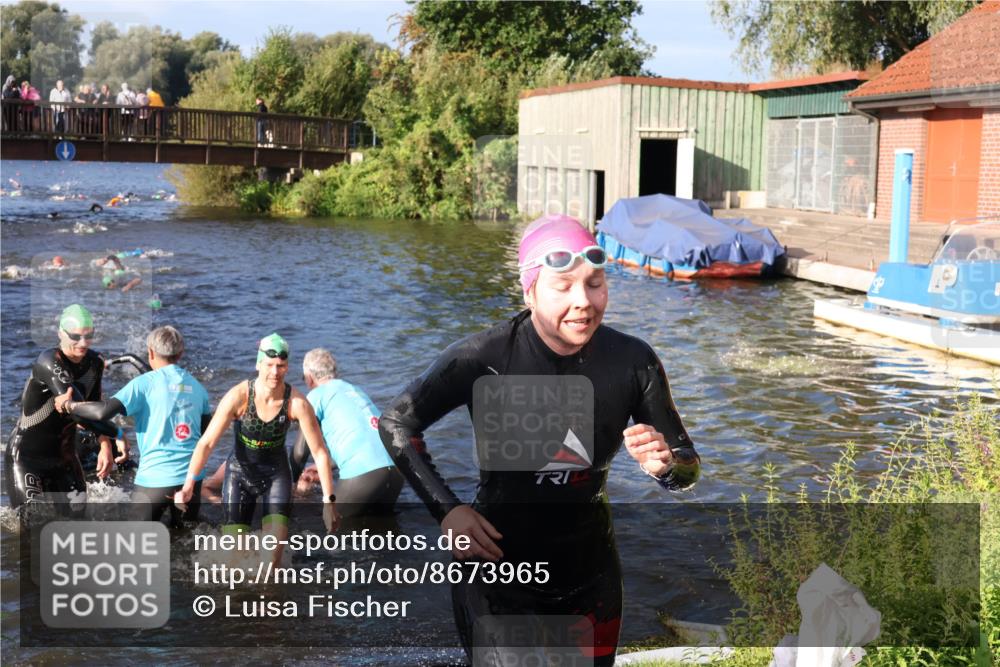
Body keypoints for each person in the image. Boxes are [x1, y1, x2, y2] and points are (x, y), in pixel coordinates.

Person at [377, 214, 701, 666]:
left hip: (590, 572)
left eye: (594, 283)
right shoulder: (483, 358)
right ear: (529, 292)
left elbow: (687, 469)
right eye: (563, 286)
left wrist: (667, 466)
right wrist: (448, 511)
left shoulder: (632, 360)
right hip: (497, 570)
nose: (583, 302)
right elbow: (396, 424)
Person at [178, 334, 340, 565]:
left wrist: (329, 501)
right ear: (258, 364)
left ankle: (270, 597)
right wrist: (188, 485)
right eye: (270, 365)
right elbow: (206, 443)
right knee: (234, 560)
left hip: (276, 476)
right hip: (239, 475)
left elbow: (320, 453)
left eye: (281, 366)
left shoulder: (297, 403)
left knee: (272, 560)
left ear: (287, 367)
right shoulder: (239, 396)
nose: (275, 372)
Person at [64, 326, 213, 526]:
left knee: (135, 543)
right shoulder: (199, 388)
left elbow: (102, 412)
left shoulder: (143, 384)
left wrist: (70, 405)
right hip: (190, 481)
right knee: (185, 539)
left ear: (150, 352)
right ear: (180, 353)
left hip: (154, 481)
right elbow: (205, 438)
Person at [3, 305, 124, 516]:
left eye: (89, 336)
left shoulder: (95, 362)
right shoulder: (49, 361)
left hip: (65, 458)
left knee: (76, 524)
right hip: (28, 457)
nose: (83, 343)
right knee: (31, 527)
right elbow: (78, 411)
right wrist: (118, 433)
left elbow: (95, 405)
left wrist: (105, 444)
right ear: (60, 334)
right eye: (75, 336)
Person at [290, 348, 403, 518]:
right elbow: (364, 439)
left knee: (331, 528)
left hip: (364, 475)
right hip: (396, 470)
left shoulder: (315, 396)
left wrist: (290, 486)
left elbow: (299, 453)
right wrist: (326, 466)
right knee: (384, 532)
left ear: (309, 378)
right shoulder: (355, 390)